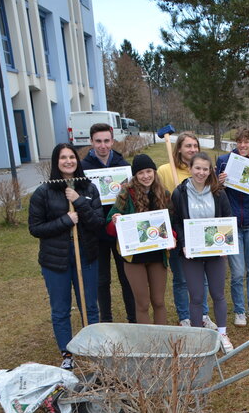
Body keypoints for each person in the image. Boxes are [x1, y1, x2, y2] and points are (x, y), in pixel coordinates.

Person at [29, 143, 103, 369]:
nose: (68, 161)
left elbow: (97, 223)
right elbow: (36, 228)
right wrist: (65, 221)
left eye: (72, 157)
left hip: (86, 257)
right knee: (61, 308)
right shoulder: (44, 192)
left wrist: (79, 201)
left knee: (89, 305)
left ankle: (92, 346)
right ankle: (67, 353)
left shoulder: (88, 188)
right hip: (56, 261)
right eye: (63, 158)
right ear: (56, 161)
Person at [171, 153, 235, 353]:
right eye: (197, 168)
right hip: (191, 253)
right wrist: (182, 243)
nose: (201, 172)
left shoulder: (218, 193)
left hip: (215, 252)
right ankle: (198, 338)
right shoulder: (180, 192)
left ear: (211, 171)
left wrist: (226, 245)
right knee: (197, 296)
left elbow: (227, 218)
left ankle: (222, 333)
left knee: (217, 294)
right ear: (190, 168)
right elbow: (176, 221)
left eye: (205, 169)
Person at [107, 154, 173, 325]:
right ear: (135, 175)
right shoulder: (126, 194)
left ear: (154, 172)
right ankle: (147, 346)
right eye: (141, 173)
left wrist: (172, 236)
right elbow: (109, 225)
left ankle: (163, 344)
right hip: (135, 257)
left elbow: (172, 222)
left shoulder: (163, 194)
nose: (146, 176)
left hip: (157, 255)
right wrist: (115, 221)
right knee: (142, 304)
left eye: (149, 171)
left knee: (158, 301)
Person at [81, 123, 136, 324]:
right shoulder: (83, 168)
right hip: (96, 231)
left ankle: (133, 319)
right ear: (91, 142)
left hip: (121, 230)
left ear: (112, 141)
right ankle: (106, 320)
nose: (102, 146)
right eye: (98, 141)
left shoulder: (124, 166)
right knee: (101, 280)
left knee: (126, 278)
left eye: (106, 141)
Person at [216, 128, 249, 327]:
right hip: (231, 224)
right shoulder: (224, 161)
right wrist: (218, 183)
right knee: (238, 272)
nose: (243, 145)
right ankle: (239, 311)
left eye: (247, 142)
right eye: (240, 142)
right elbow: (214, 191)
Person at [157, 132, 210, 327]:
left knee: (201, 277)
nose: (192, 149)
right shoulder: (164, 170)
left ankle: (203, 314)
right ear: (179, 148)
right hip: (176, 230)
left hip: (199, 231)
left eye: (195, 146)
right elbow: (157, 197)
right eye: (188, 146)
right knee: (180, 278)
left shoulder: (200, 170)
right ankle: (185, 317)